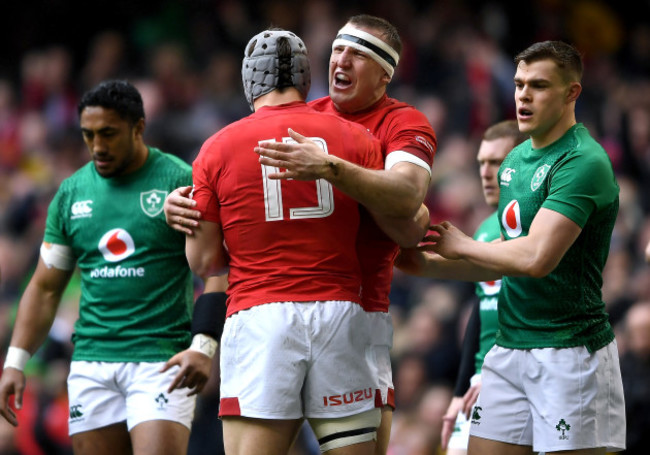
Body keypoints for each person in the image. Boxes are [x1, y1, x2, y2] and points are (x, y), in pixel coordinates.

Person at [164, 15, 437, 455]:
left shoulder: (217, 146)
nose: (343, 60)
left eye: (359, 54)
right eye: (339, 49)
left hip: (263, 316)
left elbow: (206, 263)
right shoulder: (355, 137)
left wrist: (197, 211)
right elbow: (412, 225)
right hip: (347, 313)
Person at [423, 41, 625, 455]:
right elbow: (500, 256)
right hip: (510, 348)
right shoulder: (514, 160)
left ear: (572, 93)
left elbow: (535, 258)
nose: (523, 95)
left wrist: (460, 246)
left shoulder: (584, 161)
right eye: (518, 84)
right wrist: (419, 262)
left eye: (539, 85)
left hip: (570, 352)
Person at [0, 80, 212, 455]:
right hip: (91, 365)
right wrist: (15, 361)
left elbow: (215, 267)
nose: (97, 146)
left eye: (109, 134)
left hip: (160, 359)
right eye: (89, 134)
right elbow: (46, 286)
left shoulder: (179, 180)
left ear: (138, 128)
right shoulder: (72, 193)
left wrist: (204, 346)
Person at [400, 120, 526, 455]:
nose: (486, 172)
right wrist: (460, 389)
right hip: (480, 382)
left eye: (497, 162)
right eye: (481, 162)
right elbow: (481, 311)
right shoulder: (485, 228)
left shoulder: (540, 222)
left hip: (520, 375)